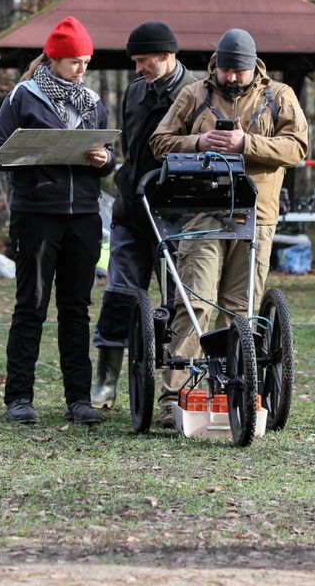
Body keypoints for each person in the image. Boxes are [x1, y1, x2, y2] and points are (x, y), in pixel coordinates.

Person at [150, 28, 309, 428]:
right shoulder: (194, 94)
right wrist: (199, 141)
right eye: (225, 69)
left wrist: (246, 144)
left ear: (253, 66)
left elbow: (298, 148)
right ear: (215, 64)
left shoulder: (279, 96)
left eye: (238, 71)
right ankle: (176, 397)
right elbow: (159, 141)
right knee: (195, 302)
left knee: (242, 309)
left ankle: (236, 393)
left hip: (256, 215)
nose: (232, 78)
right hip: (202, 213)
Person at [0, 16, 116, 426]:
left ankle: (78, 399)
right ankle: (19, 398)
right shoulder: (23, 97)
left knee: (76, 310)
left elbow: (110, 158)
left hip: (84, 218)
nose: (82, 68)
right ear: (55, 59)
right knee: (31, 307)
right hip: (37, 217)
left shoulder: (93, 102)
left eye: (86, 61)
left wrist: (104, 160)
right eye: (75, 61)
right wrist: (37, 152)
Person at [90, 21, 199, 410]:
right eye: (134, 61)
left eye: (143, 61)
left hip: (176, 217)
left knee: (178, 301)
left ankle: (176, 388)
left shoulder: (197, 95)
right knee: (119, 293)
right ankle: (105, 381)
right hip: (130, 212)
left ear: (167, 56)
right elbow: (132, 151)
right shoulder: (135, 92)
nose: (138, 68)